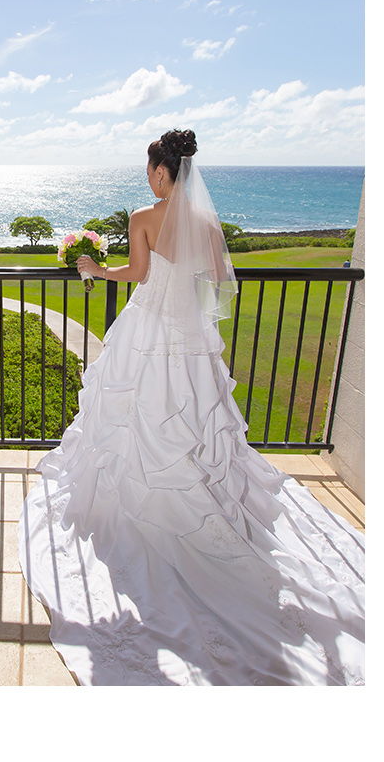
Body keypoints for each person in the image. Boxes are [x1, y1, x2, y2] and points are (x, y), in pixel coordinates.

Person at [18, 129, 364, 685]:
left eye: (148, 169)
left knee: (133, 415)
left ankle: (137, 511)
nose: (146, 177)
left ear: (161, 171)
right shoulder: (206, 223)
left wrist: (92, 270)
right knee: (195, 417)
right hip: (190, 336)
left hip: (148, 328)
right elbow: (209, 279)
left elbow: (138, 274)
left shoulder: (143, 216)